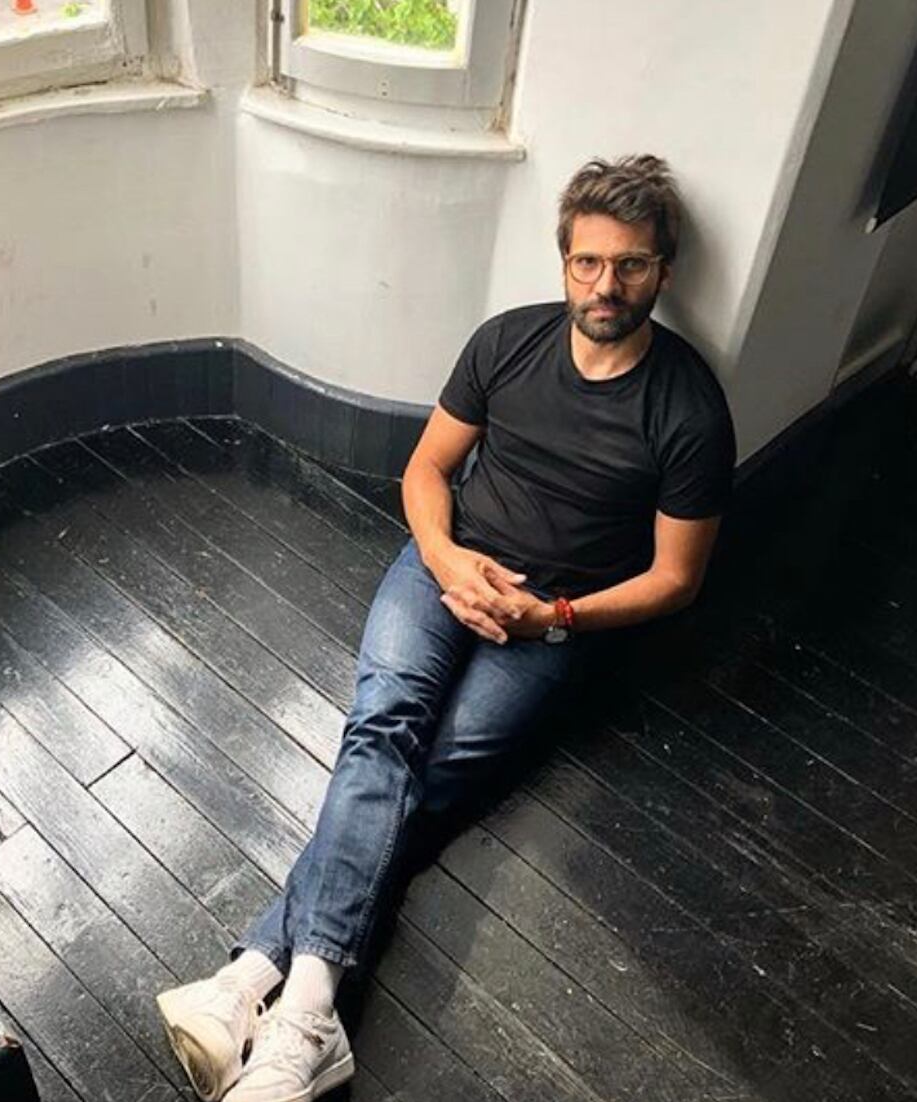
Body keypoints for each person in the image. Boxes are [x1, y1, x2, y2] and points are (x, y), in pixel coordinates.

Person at [155, 153, 736, 1102]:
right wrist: (447, 557)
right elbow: (426, 470)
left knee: (425, 778)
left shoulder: (688, 407)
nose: (606, 286)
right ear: (564, 262)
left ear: (662, 272)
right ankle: (310, 1015)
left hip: (552, 617)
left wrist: (553, 615)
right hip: (443, 568)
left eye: (630, 265)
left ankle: (252, 975)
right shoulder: (507, 341)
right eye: (588, 262)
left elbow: (677, 579)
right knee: (382, 731)